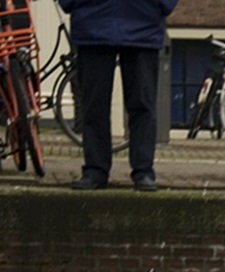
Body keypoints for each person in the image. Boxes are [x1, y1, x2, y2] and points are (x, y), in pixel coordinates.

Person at [57, 0, 178, 192]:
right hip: (99, 23)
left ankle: (141, 170)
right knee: (95, 105)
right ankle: (99, 170)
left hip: (134, 23)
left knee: (142, 104)